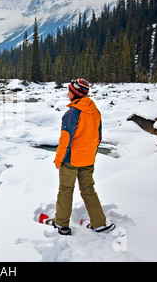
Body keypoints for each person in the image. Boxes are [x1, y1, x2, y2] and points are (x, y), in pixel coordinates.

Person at [51, 78, 115, 235]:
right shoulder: (95, 111)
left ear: (76, 93)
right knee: (88, 189)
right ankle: (99, 224)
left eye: (70, 91)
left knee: (66, 189)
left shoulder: (72, 113)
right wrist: (90, 154)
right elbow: (98, 137)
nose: (67, 94)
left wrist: (59, 159)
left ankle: (61, 223)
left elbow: (65, 140)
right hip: (88, 159)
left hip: (71, 159)